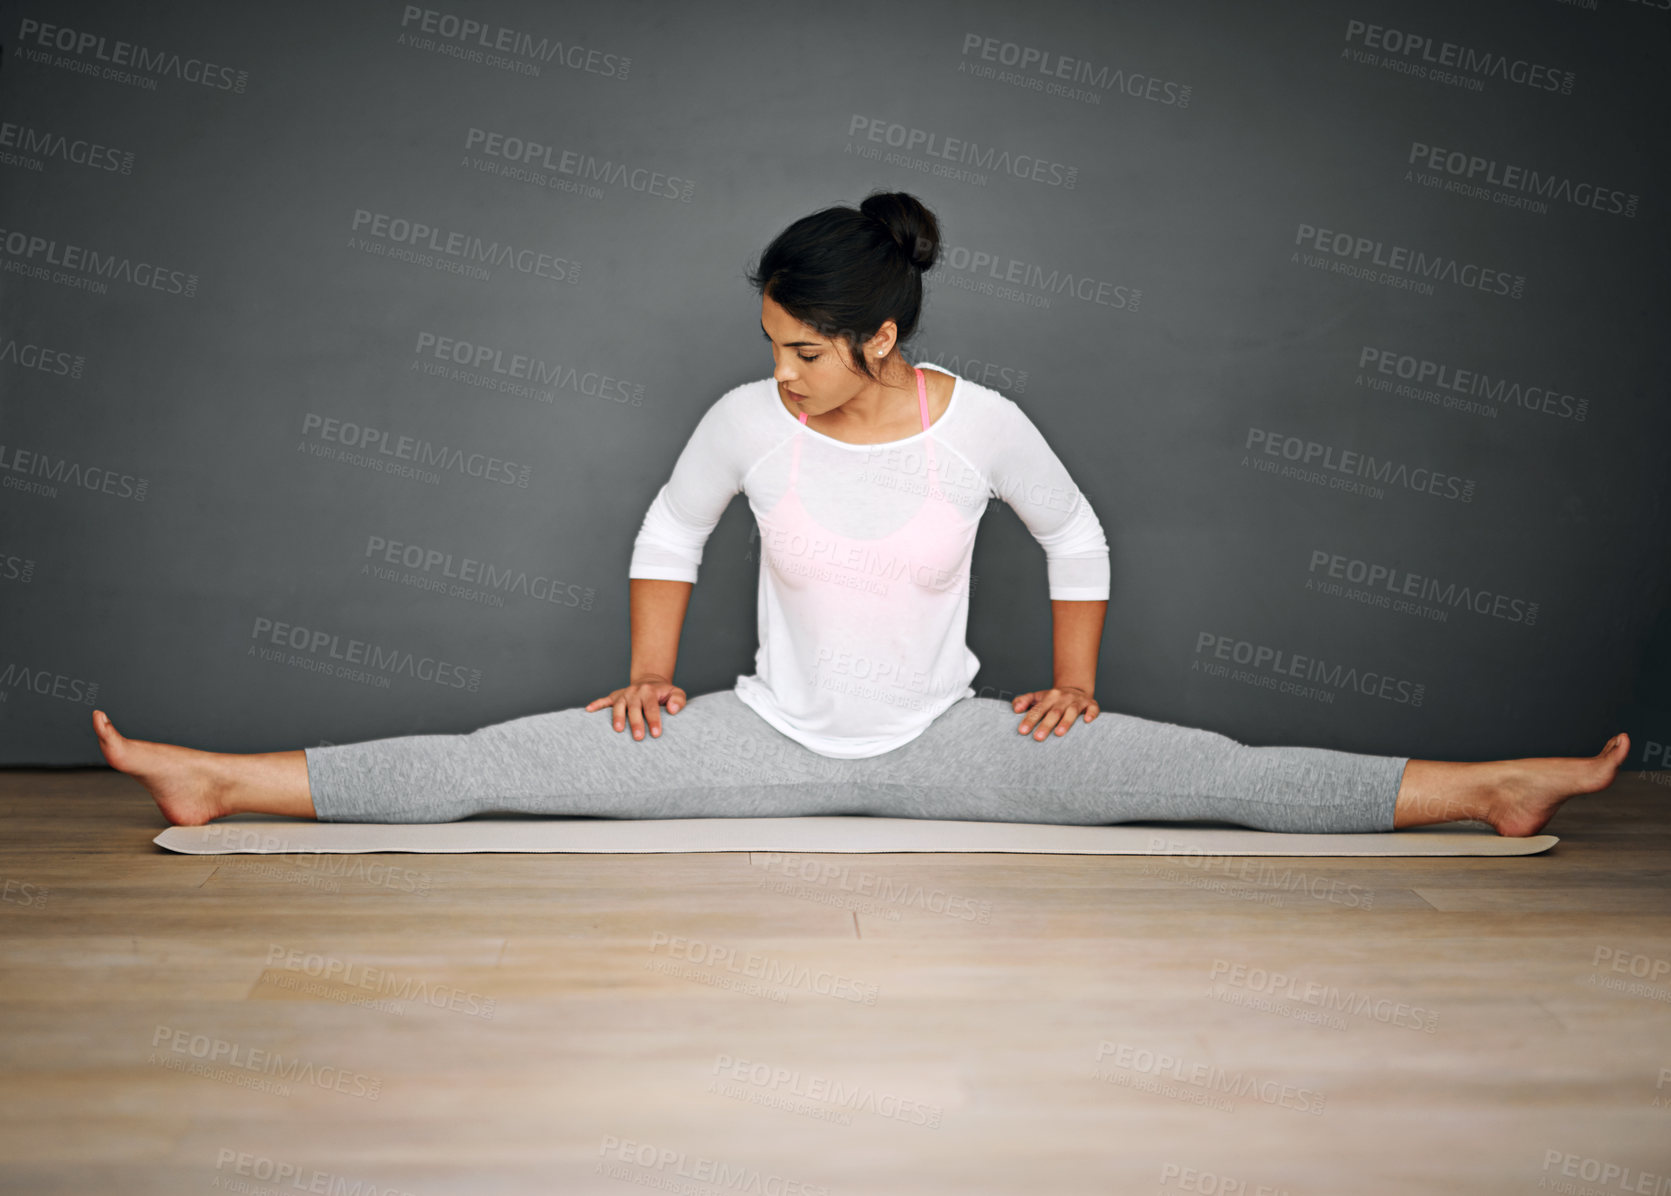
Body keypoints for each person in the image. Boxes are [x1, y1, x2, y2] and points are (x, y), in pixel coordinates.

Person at [94, 191, 1629, 836]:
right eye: (774, 345)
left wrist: (1076, 692)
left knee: (1217, 774)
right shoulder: (744, 420)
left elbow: (1078, 532)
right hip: (759, 737)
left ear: (881, 337)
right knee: (501, 765)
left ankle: (1487, 791)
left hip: (957, 744)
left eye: (807, 351)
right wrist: (648, 672)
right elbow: (666, 531)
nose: (784, 373)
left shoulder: (982, 423)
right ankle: (226, 785)